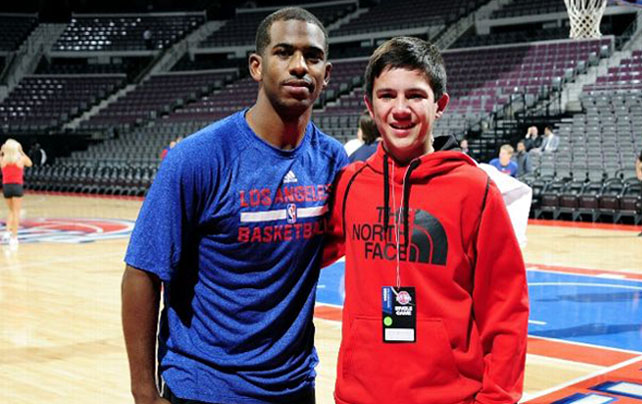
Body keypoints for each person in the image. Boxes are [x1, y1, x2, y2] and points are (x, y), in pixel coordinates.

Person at [121, 8, 348, 404]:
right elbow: (142, 272)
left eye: (312, 56)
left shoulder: (332, 162)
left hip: (294, 386)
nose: (299, 66)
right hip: (204, 385)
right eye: (284, 53)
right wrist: (143, 391)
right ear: (257, 67)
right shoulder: (197, 158)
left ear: (326, 74)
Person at [323, 36, 528, 404]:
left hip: (449, 396)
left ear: (440, 105)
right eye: (387, 96)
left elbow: (506, 311)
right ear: (370, 106)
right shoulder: (351, 184)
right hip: (359, 395)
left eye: (415, 95)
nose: (400, 109)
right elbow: (295, 256)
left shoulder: (475, 190)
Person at [1, 139, 33, 249]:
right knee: (16, 213)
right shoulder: (21, 159)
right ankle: (14, 237)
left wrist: (2, 152)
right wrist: (22, 151)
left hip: (6, 187)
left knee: (10, 210)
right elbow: (30, 163)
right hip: (17, 187)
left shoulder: (2, 160)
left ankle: (6, 232)